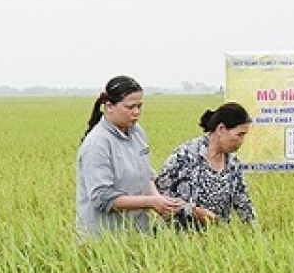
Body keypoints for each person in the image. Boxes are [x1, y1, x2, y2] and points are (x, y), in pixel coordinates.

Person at [76, 76, 183, 237]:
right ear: (110, 106)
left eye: (139, 106)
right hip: (104, 239)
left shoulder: (137, 132)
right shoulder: (97, 143)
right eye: (130, 107)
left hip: (138, 233)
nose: (136, 112)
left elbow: (146, 174)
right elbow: (102, 197)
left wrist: (159, 200)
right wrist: (151, 202)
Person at [155, 102, 256, 229]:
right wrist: (193, 211)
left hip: (215, 239)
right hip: (177, 238)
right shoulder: (185, 156)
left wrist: (257, 236)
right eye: (239, 135)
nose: (242, 141)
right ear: (221, 130)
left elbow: (243, 203)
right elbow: (160, 195)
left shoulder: (233, 163)